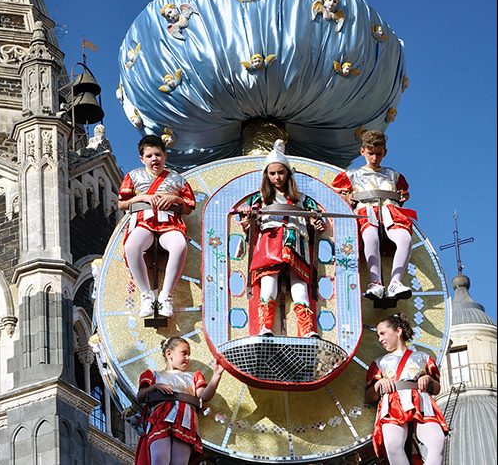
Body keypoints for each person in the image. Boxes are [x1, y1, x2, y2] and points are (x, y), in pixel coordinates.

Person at [239, 139, 326, 337]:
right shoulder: (259, 198)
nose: (277, 177)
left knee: (300, 285)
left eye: (281, 172)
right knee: (269, 283)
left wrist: (316, 223)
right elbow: (247, 221)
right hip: (270, 241)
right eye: (272, 173)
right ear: (266, 175)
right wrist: (246, 217)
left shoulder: (302, 199)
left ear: (288, 173)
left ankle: (307, 330)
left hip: (296, 240)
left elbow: (316, 217)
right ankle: (265, 327)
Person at [332, 130, 416, 301]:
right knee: (371, 238)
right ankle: (376, 283)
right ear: (362, 151)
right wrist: (347, 197)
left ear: (384, 152)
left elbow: (404, 193)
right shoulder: (352, 175)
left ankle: (395, 282)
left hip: (390, 211)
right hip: (367, 210)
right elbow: (337, 193)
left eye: (378, 154)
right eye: (371, 153)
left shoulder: (393, 175)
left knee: (405, 239)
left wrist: (403, 196)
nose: (374, 158)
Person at [118, 135, 196, 317]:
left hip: (170, 223)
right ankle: (146, 295)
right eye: (150, 155)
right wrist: (143, 197)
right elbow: (122, 203)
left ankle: (165, 296)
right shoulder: (134, 176)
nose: (155, 159)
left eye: (158, 155)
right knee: (131, 246)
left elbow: (189, 207)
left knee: (179, 245)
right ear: (142, 159)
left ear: (165, 156)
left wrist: (174, 198)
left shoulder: (177, 179)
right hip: (144, 221)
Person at [365, 313, 448, 465]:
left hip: (421, 403)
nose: (380, 339)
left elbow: (437, 388)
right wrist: (378, 384)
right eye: (378, 335)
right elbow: (369, 396)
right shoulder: (379, 363)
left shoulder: (423, 357)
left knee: (437, 441)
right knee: (393, 444)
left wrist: (428, 379)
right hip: (392, 404)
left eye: (383, 333)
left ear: (398, 331)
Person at [134, 336, 225, 465]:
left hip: (185, 420)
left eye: (189, 354)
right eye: (184, 353)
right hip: (161, 418)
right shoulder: (153, 375)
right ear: (169, 354)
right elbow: (140, 396)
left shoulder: (194, 376)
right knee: (160, 459)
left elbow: (204, 396)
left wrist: (216, 375)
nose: (188, 358)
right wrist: (154, 387)